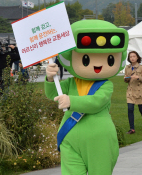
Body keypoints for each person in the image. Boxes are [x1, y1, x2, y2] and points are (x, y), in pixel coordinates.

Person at [44, 20, 128, 174]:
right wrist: (50, 79)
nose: (97, 66)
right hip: (70, 137)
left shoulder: (106, 85)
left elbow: (96, 102)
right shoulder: (70, 83)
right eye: (86, 59)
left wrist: (71, 101)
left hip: (98, 140)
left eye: (110, 59)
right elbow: (53, 94)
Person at [124, 51, 142, 134]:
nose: (132, 58)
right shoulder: (127, 68)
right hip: (130, 91)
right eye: (130, 56)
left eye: (134, 56)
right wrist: (126, 78)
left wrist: (138, 77)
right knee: (130, 109)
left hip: (140, 92)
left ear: (137, 57)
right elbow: (126, 80)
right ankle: (132, 129)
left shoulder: (141, 67)